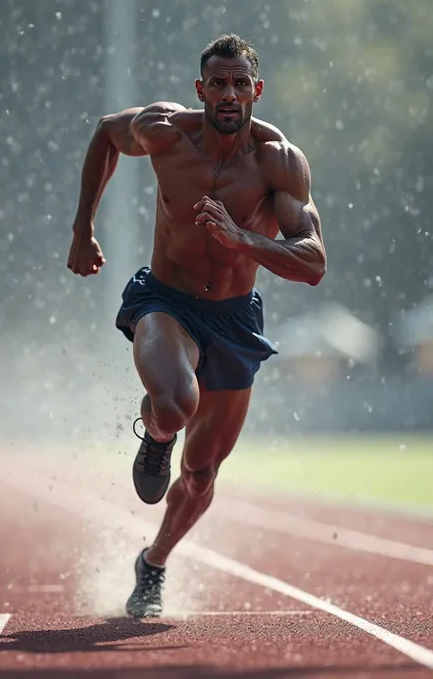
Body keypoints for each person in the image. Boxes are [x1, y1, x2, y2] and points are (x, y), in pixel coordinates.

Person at [67, 34, 326, 617]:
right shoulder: (165, 132)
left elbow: (313, 261)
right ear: (200, 89)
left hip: (233, 318)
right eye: (218, 83)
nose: (229, 94)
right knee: (176, 402)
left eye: (240, 83)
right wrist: (83, 227)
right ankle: (156, 436)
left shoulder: (278, 160)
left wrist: (245, 240)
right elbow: (108, 130)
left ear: (256, 91)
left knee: (203, 474)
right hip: (167, 299)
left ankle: (153, 563)